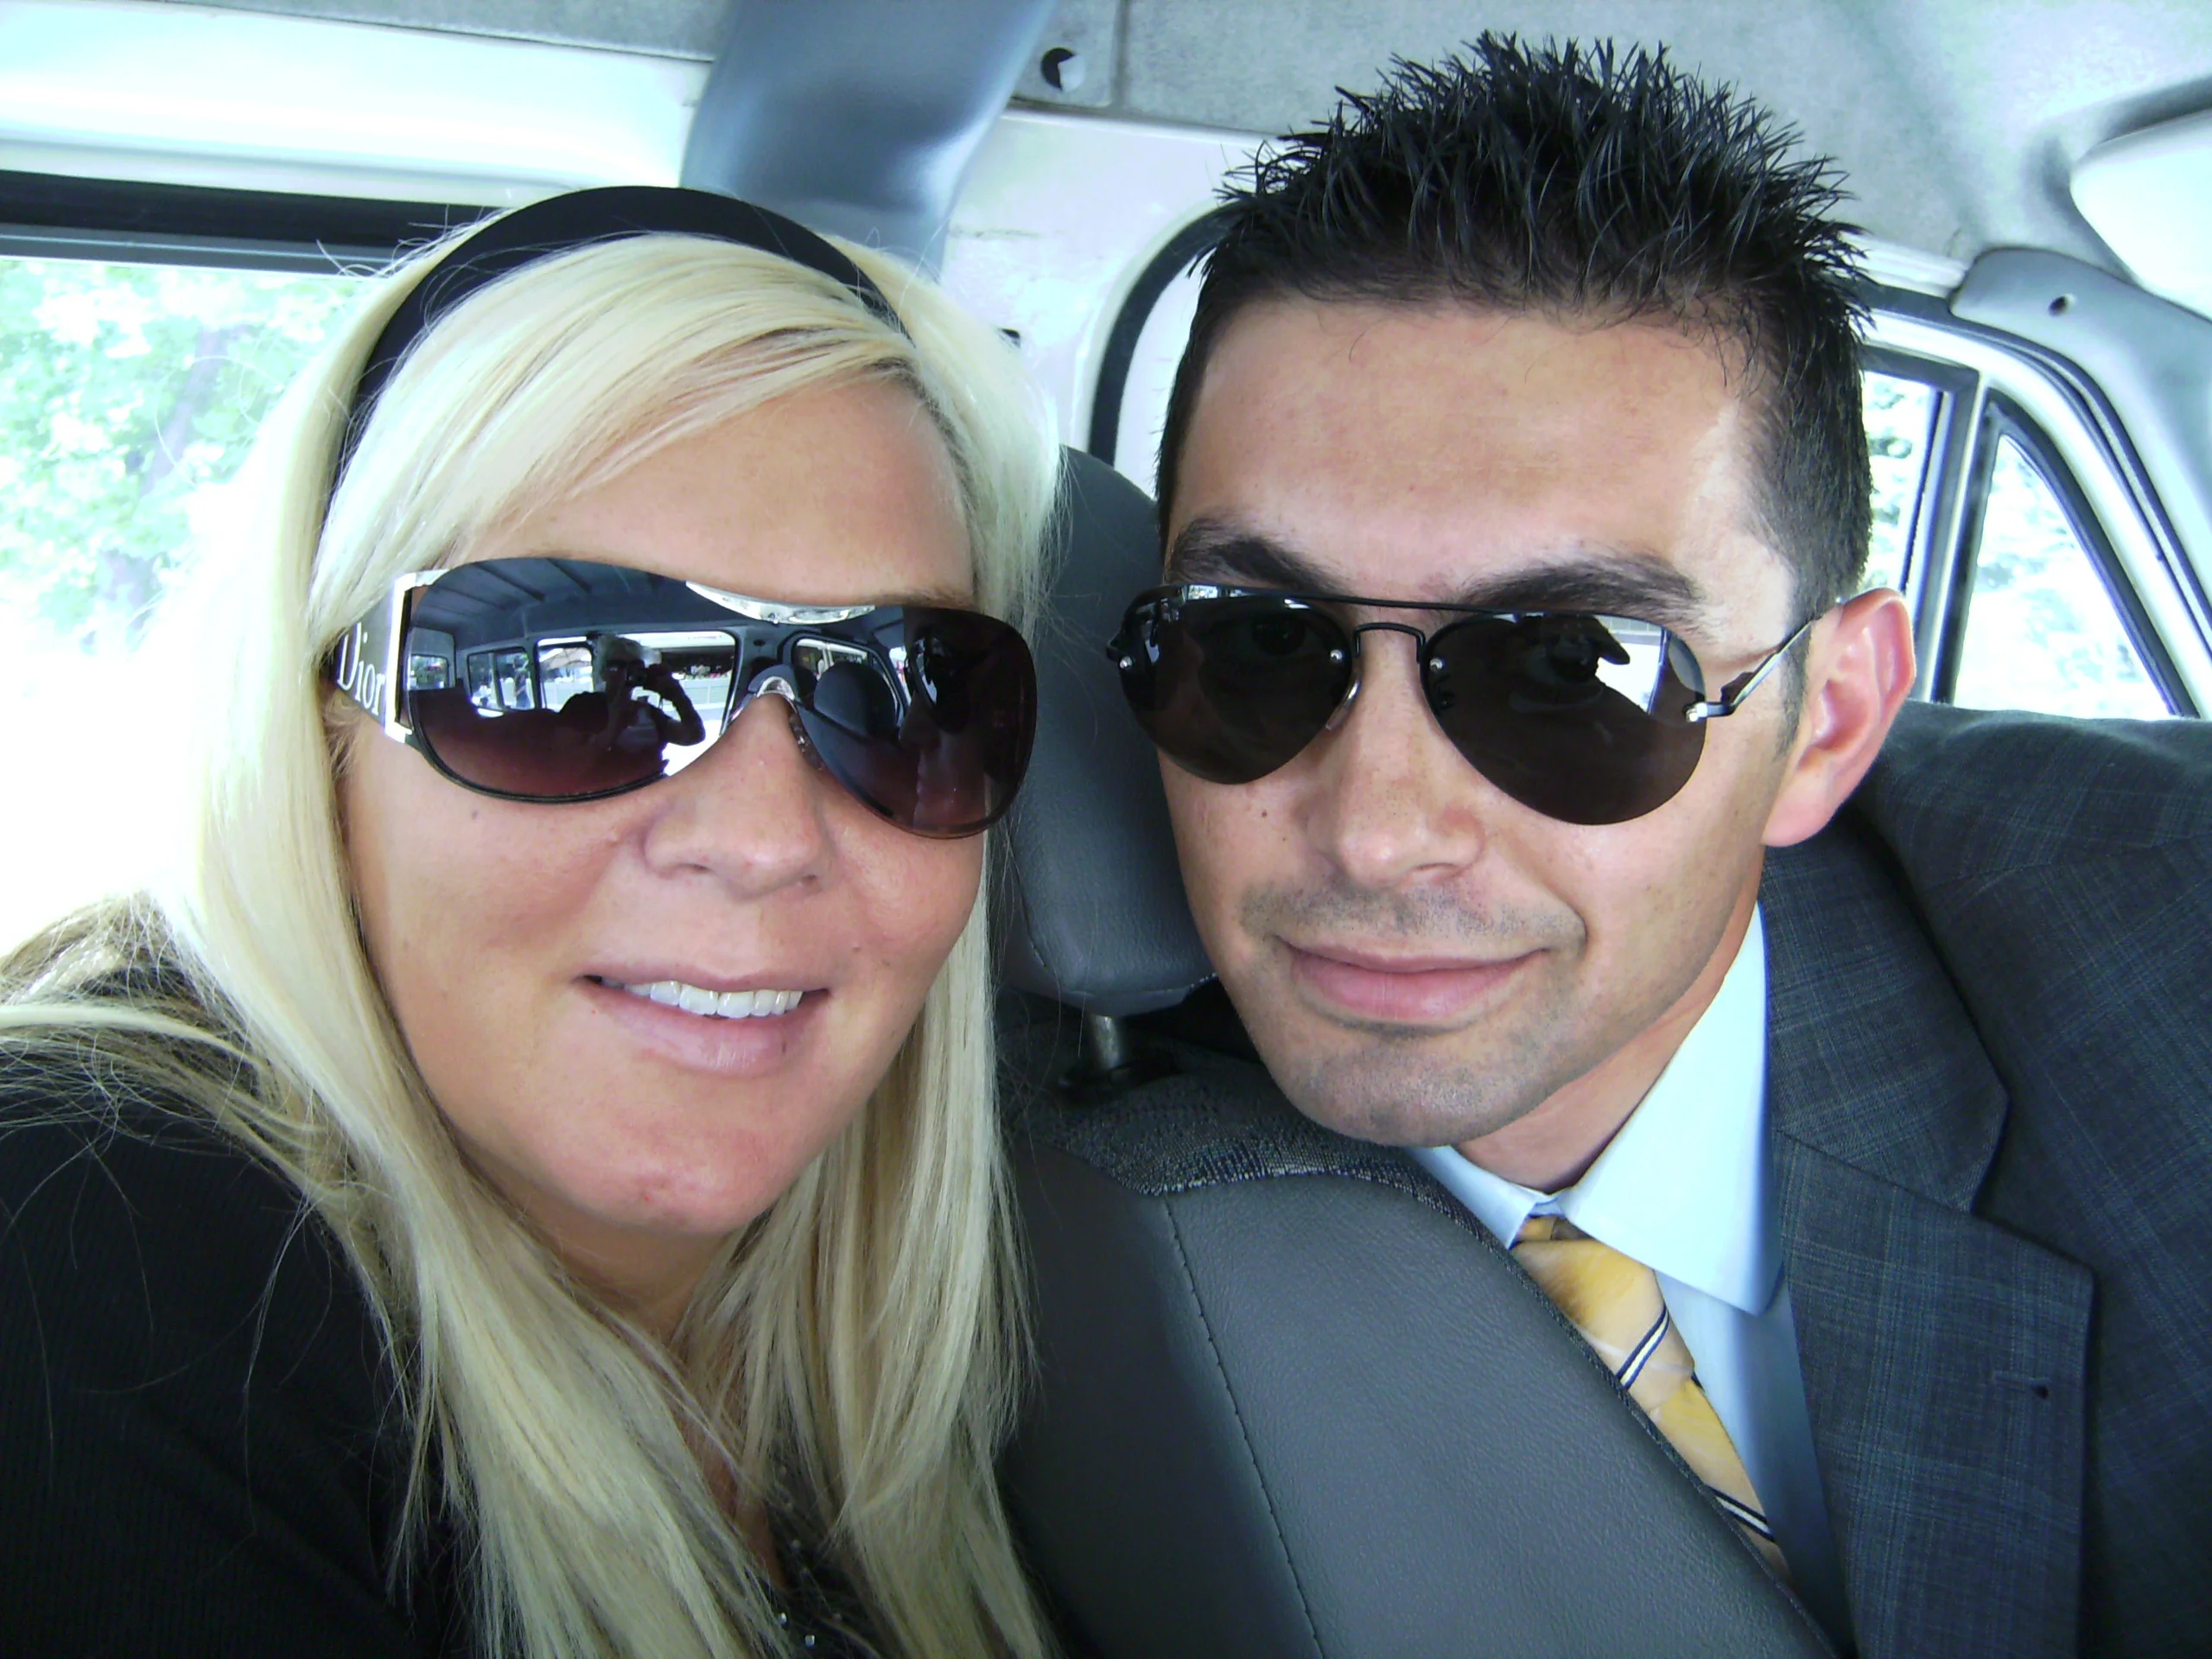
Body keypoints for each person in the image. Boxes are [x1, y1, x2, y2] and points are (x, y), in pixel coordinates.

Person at [1084, 37, 2210, 1658]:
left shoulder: (2173, 1008)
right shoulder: (1004, 1193)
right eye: (1259, 644)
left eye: (1573, 675)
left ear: (1824, 720)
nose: (1381, 826)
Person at [0, 187, 1061, 1659]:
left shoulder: (1042, 1310)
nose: (760, 839)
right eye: (570, 684)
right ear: (318, 731)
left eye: (898, 694)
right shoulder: (79, 1247)